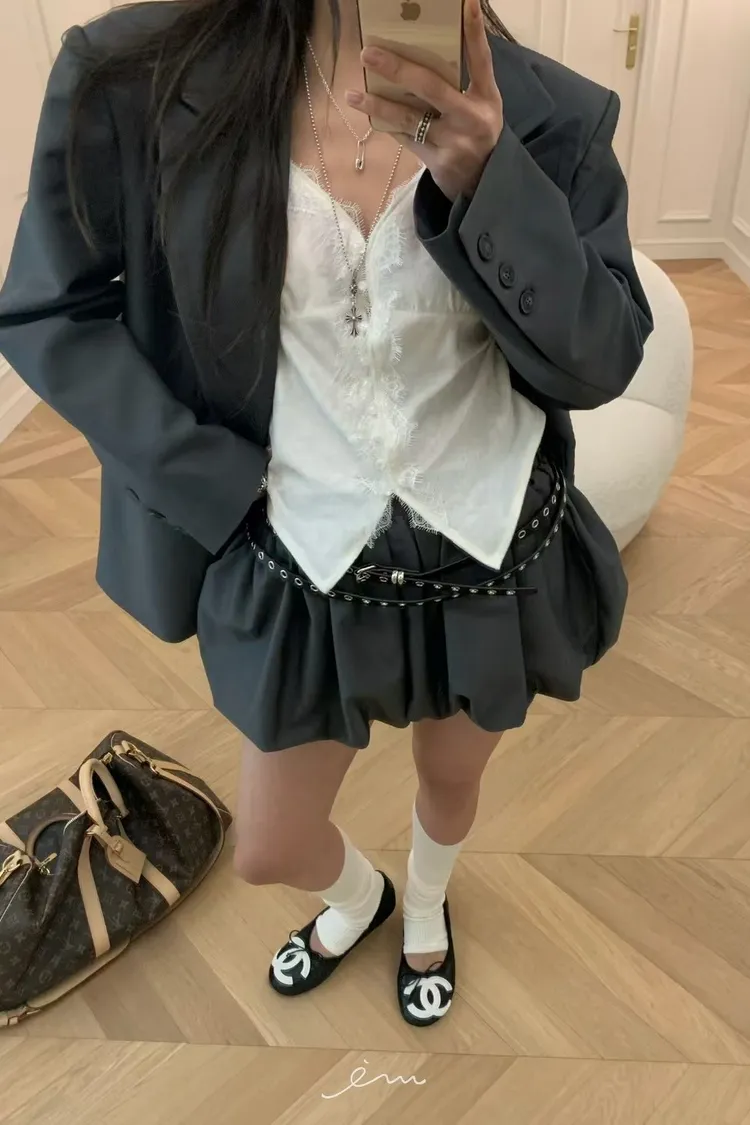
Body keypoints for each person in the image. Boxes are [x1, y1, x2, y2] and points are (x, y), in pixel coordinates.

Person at [0, 0, 653, 1027]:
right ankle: (361, 898)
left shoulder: (553, 114)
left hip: (492, 549)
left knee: (450, 779)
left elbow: (601, 359)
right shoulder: (137, 76)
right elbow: (52, 310)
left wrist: (490, 182)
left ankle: (427, 905)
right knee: (271, 845)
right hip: (300, 554)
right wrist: (207, 482)